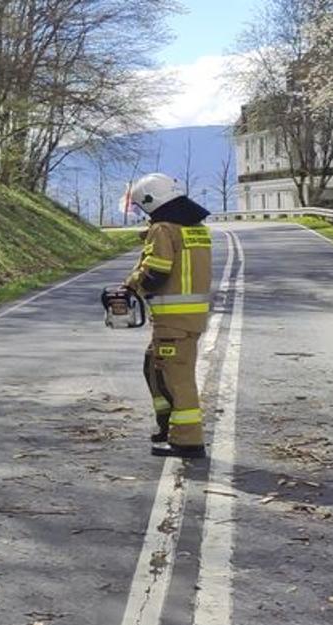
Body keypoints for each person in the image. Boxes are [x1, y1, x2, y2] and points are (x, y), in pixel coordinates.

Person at [123, 173, 212, 459]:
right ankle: (167, 426)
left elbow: (156, 272)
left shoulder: (163, 229)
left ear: (152, 200)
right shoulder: (194, 228)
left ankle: (187, 441)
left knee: (177, 379)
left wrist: (131, 284)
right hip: (188, 319)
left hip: (173, 320)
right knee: (154, 367)